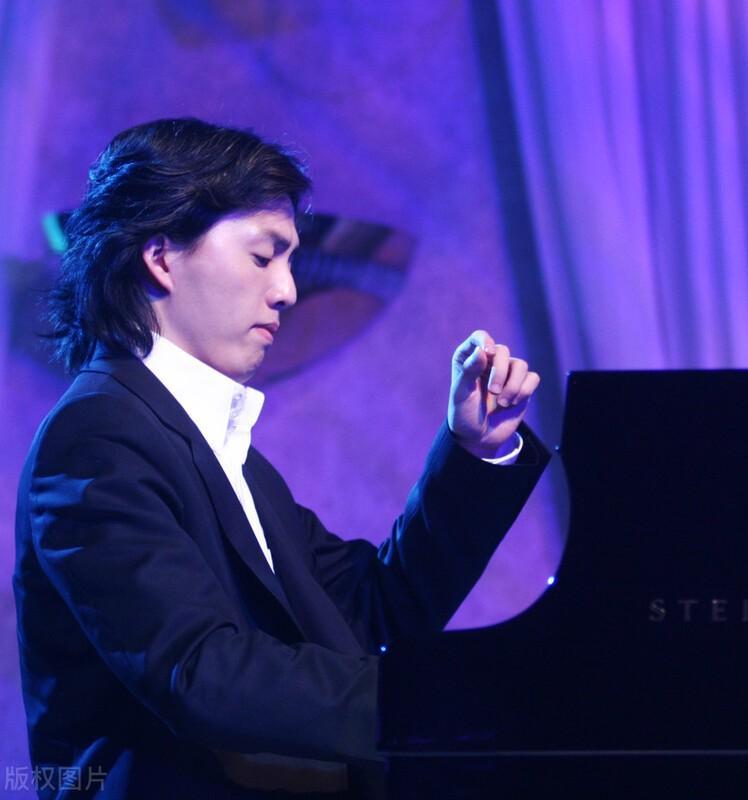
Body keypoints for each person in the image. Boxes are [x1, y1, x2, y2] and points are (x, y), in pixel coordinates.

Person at [12, 118, 548, 798]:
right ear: (161, 257)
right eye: (264, 257)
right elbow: (199, 670)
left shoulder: (215, 450)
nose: (289, 290)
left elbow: (368, 616)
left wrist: (475, 451)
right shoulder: (96, 437)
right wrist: (435, 701)